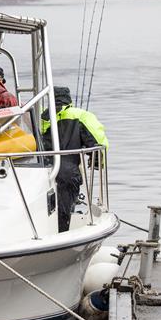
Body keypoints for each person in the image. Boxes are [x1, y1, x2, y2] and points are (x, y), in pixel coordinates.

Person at [41, 86, 109, 232]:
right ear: (68, 99)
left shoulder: (39, 117)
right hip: (67, 172)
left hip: (40, 172)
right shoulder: (81, 115)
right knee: (64, 210)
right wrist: (97, 162)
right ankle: (62, 237)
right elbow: (98, 142)